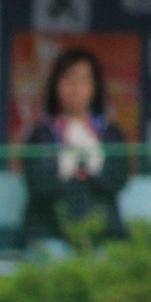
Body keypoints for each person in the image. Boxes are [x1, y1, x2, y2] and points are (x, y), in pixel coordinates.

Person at [18, 47, 129, 246]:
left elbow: (117, 181)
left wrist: (93, 161)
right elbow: (38, 187)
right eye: (68, 79)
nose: (76, 88)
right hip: (48, 232)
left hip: (102, 234)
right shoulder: (41, 134)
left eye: (84, 80)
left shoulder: (110, 133)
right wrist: (65, 164)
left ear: (95, 87)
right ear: (56, 85)